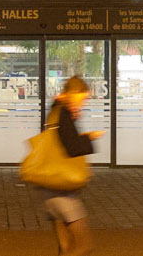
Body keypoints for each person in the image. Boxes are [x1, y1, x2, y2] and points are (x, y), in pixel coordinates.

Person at [41, 75, 103, 256]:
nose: (83, 103)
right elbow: (72, 147)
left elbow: (59, 140)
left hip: (50, 185)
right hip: (62, 189)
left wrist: (73, 115)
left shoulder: (57, 110)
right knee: (84, 246)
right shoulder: (63, 113)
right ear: (74, 93)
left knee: (66, 247)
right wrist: (90, 137)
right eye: (82, 98)